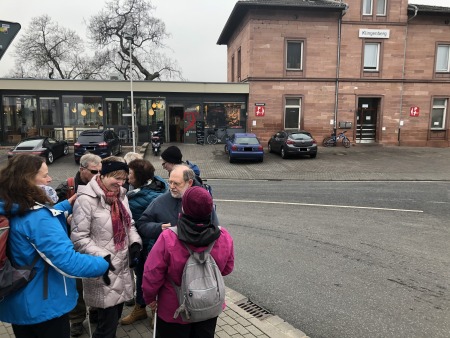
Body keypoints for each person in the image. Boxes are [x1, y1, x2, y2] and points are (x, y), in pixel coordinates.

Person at [0, 154, 109, 338]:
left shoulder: (11, 205)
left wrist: (66, 204)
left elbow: (32, 224)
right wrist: (104, 262)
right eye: (45, 175)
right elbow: (67, 262)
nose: (50, 179)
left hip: (18, 299)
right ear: (27, 180)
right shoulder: (38, 217)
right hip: (44, 305)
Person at [142, 186, 234, 338]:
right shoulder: (223, 235)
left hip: (174, 309)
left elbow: (152, 274)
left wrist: (149, 298)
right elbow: (227, 268)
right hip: (208, 306)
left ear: (184, 208)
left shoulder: (168, 238)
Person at [70, 156, 142, 338]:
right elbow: (79, 239)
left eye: (124, 178)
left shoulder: (121, 196)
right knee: (106, 327)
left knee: (113, 320)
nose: (120, 182)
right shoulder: (86, 200)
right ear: (103, 175)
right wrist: (104, 257)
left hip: (123, 267)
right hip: (103, 270)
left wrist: (134, 242)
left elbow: (129, 224)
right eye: (116, 178)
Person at [55, 153, 102, 337]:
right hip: (70, 242)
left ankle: (96, 311)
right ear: (82, 169)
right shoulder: (67, 186)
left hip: (93, 240)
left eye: (100, 171)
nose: (97, 175)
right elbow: (50, 212)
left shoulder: (100, 185)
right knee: (75, 283)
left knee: (95, 277)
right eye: (93, 171)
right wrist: (64, 217)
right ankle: (76, 319)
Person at [119, 159, 168, 325]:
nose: (127, 177)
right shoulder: (150, 186)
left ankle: (154, 312)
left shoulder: (145, 198)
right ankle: (140, 309)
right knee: (141, 277)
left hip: (149, 245)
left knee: (150, 278)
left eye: (130, 174)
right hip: (140, 243)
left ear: (139, 177)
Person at [136, 164, 219, 256]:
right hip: (169, 259)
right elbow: (142, 224)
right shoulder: (160, 201)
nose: (171, 187)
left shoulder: (202, 201)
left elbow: (215, 230)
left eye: (176, 183)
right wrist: (158, 228)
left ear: (190, 183)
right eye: (170, 182)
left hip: (198, 259)